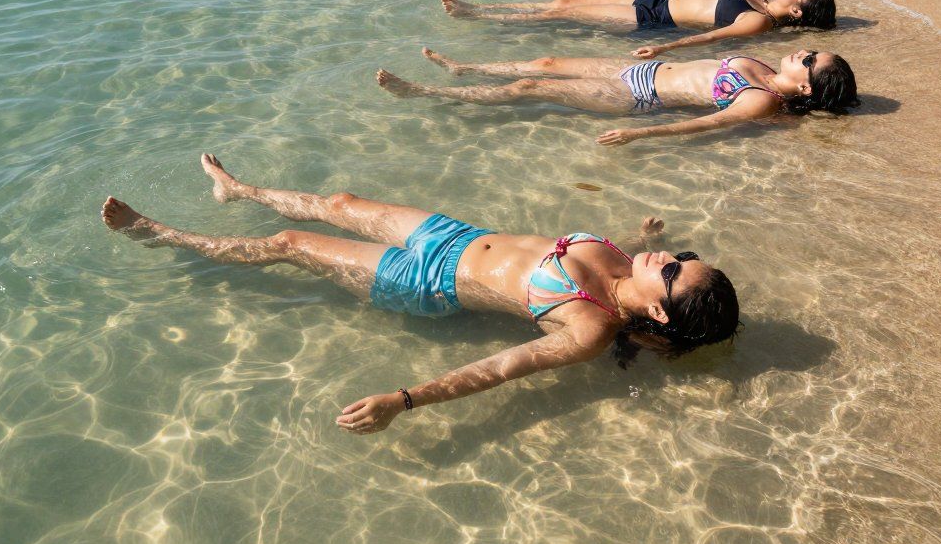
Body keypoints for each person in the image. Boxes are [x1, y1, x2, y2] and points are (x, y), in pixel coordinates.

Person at [101, 154, 740, 434]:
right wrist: (644, 239)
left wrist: (404, 400)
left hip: (426, 282)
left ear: (659, 309)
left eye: (677, 270)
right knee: (338, 203)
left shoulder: (590, 331)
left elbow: (502, 367)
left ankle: (162, 236)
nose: (673, 258)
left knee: (292, 244)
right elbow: (615, 260)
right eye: (685, 257)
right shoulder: (628, 260)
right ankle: (237, 190)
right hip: (452, 235)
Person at [376, 47, 859, 146]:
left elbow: (705, 125)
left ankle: (425, 92)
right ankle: (467, 66)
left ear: (805, 87)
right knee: (546, 63)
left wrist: (639, 132)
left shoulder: (759, 99)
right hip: (640, 67)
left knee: (531, 89)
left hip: (639, 96)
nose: (805, 52)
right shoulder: (767, 68)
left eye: (812, 61)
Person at [440, 0, 837, 54]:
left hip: (652, 19)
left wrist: (665, 46)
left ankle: (480, 17)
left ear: (798, 11)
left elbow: (709, 40)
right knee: (564, 1)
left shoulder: (757, 21)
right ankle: (487, 10)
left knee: (564, 14)